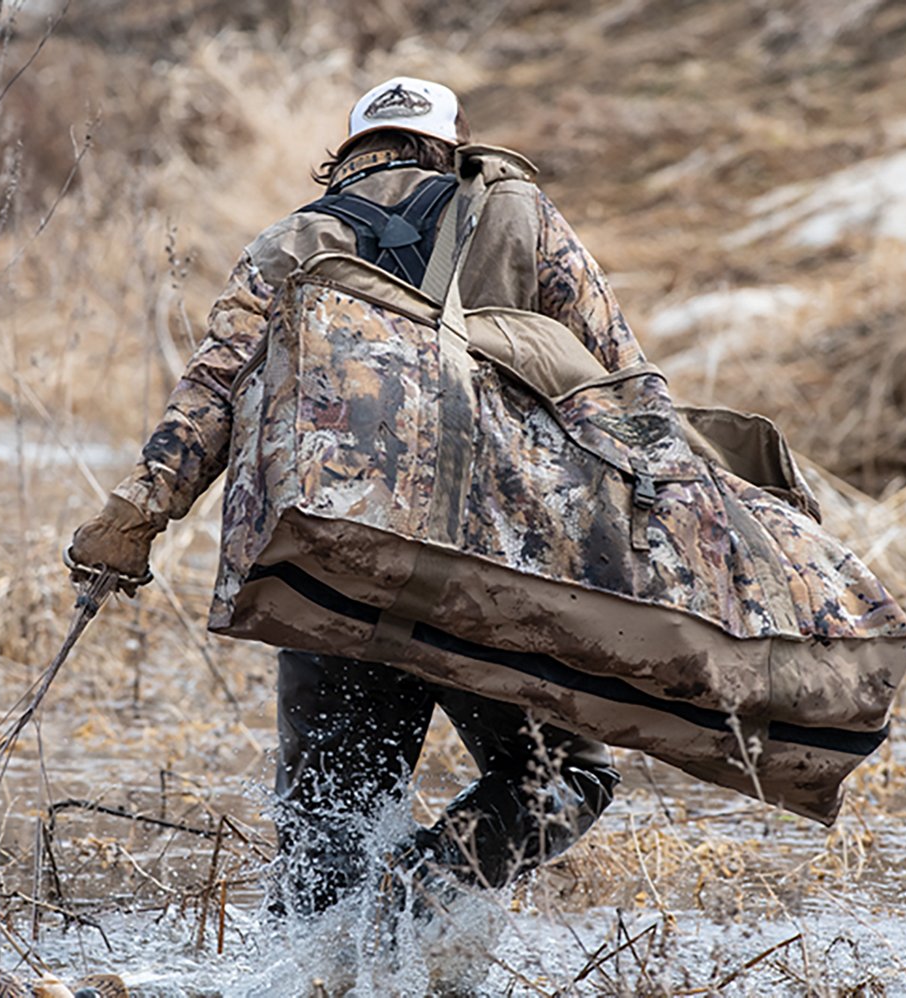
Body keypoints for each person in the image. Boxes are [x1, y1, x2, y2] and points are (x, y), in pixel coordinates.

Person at [67, 77, 624, 920]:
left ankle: (319, 963)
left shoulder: (292, 240)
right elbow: (616, 384)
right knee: (564, 776)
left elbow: (211, 397)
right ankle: (416, 891)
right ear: (451, 144)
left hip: (332, 562)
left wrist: (132, 523)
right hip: (493, 567)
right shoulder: (525, 218)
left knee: (325, 838)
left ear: (351, 153)